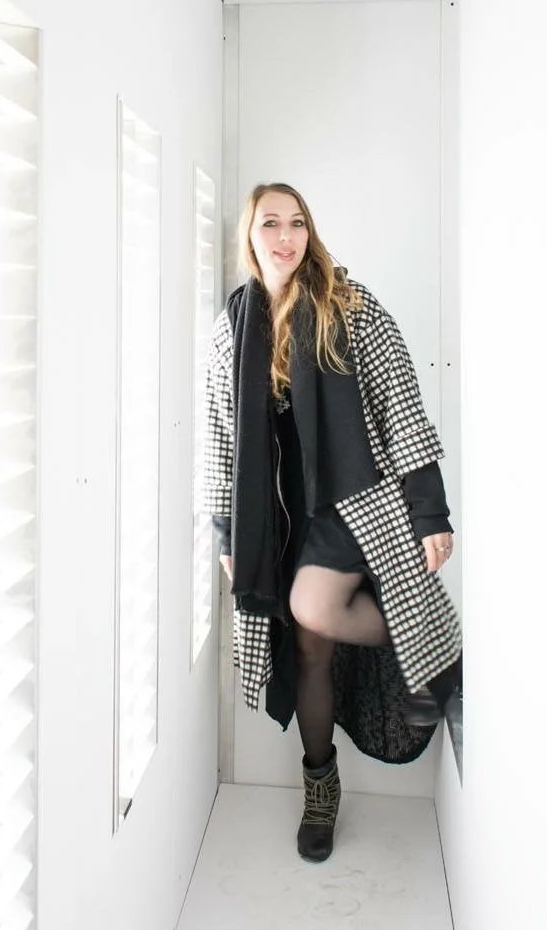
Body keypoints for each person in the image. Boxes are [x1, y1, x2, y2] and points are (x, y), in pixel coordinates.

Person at [198, 182, 463, 863]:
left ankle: (430, 651)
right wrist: (230, 535)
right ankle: (321, 785)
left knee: (312, 609)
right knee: (308, 649)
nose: (285, 238)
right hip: (278, 521)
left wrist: (430, 508)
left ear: (309, 233)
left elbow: (400, 402)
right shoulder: (232, 327)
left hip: (353, 504)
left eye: (296, 224)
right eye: (269, 225)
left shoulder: (351, 304)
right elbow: (221, 437)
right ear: (249, 238)